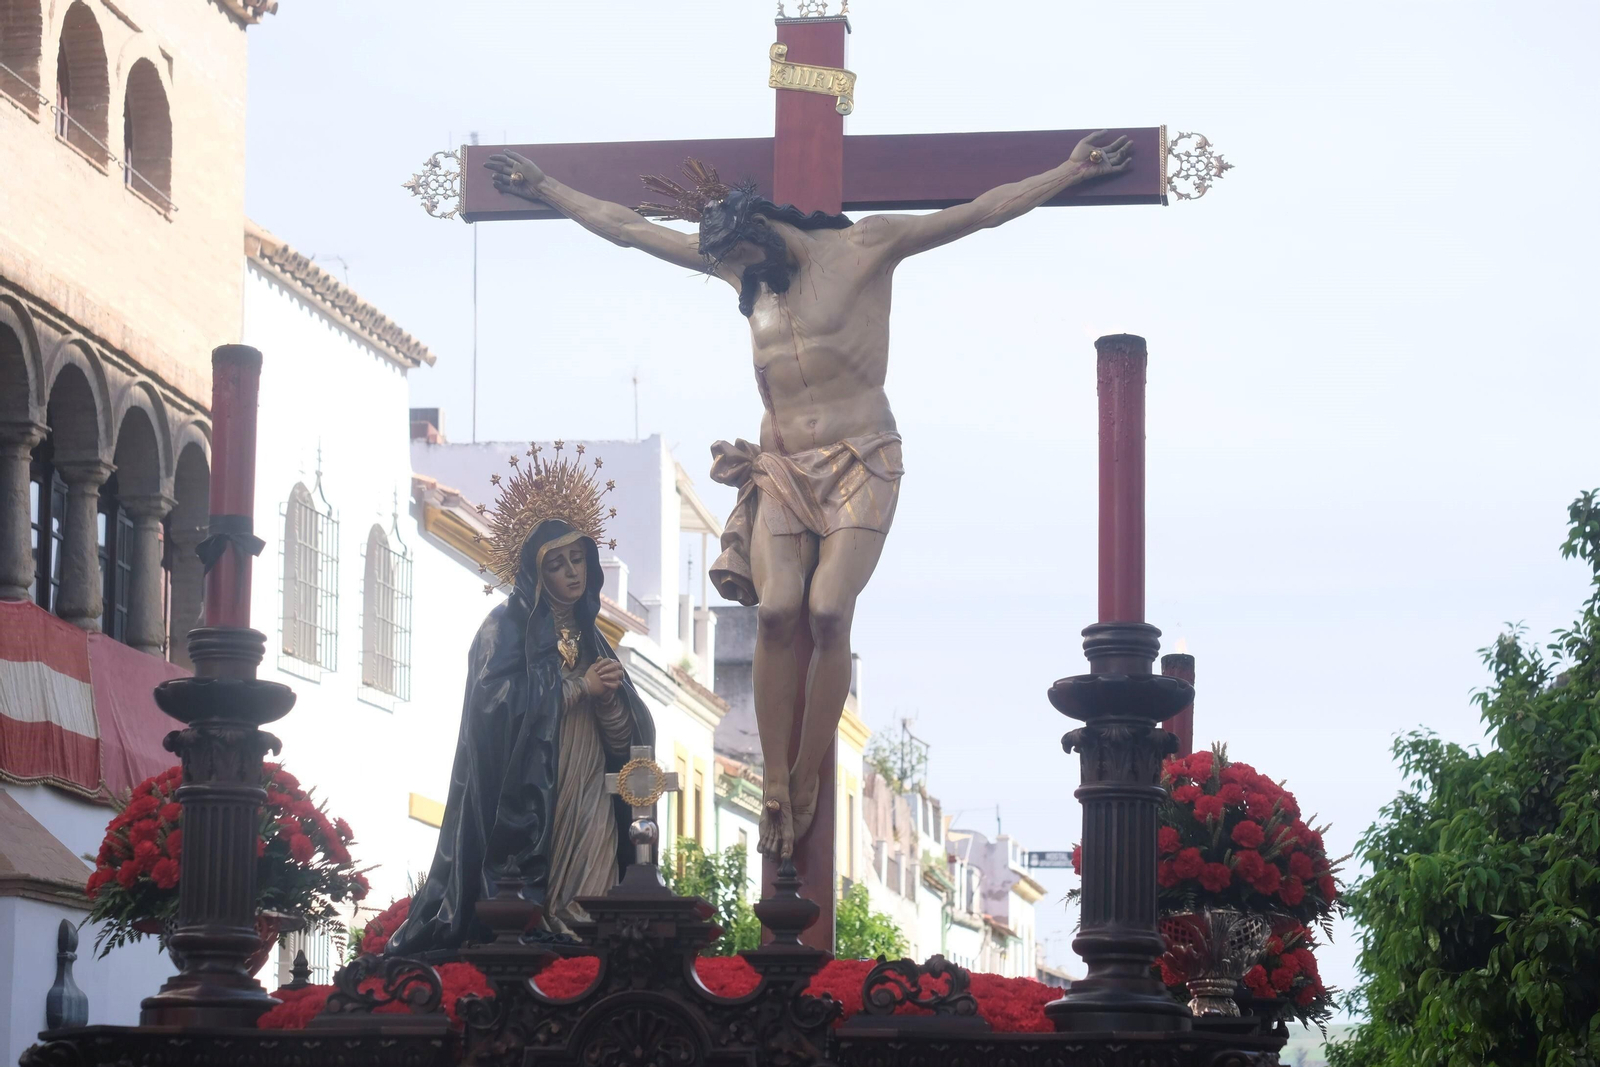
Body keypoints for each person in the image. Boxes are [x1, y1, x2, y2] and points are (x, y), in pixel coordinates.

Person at [484, 134, 1132, 858]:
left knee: (828, 612)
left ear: (770, 241)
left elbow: (979, 212)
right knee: (777, 613)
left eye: (748, 272)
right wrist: (547, 189)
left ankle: (804, 775)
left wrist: (1070, 170)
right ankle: (770, 783)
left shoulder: (867, 248)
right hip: (784, 467)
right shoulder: (742, 272)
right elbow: (632, 231)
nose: (742, 288)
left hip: (862, 458)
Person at [386, 447, 652, 953]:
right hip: (535, 779)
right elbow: (494, 706)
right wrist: (578, 689)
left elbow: (629, 740)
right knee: (549, 882)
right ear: (536, 573)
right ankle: (551, 931)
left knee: (594, 872)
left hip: (589, 776)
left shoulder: (596, 639)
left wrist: (612, 705)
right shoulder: (504, 630)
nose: (572, 572)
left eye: (578, 559)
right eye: (557, 564)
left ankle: (583, 943)